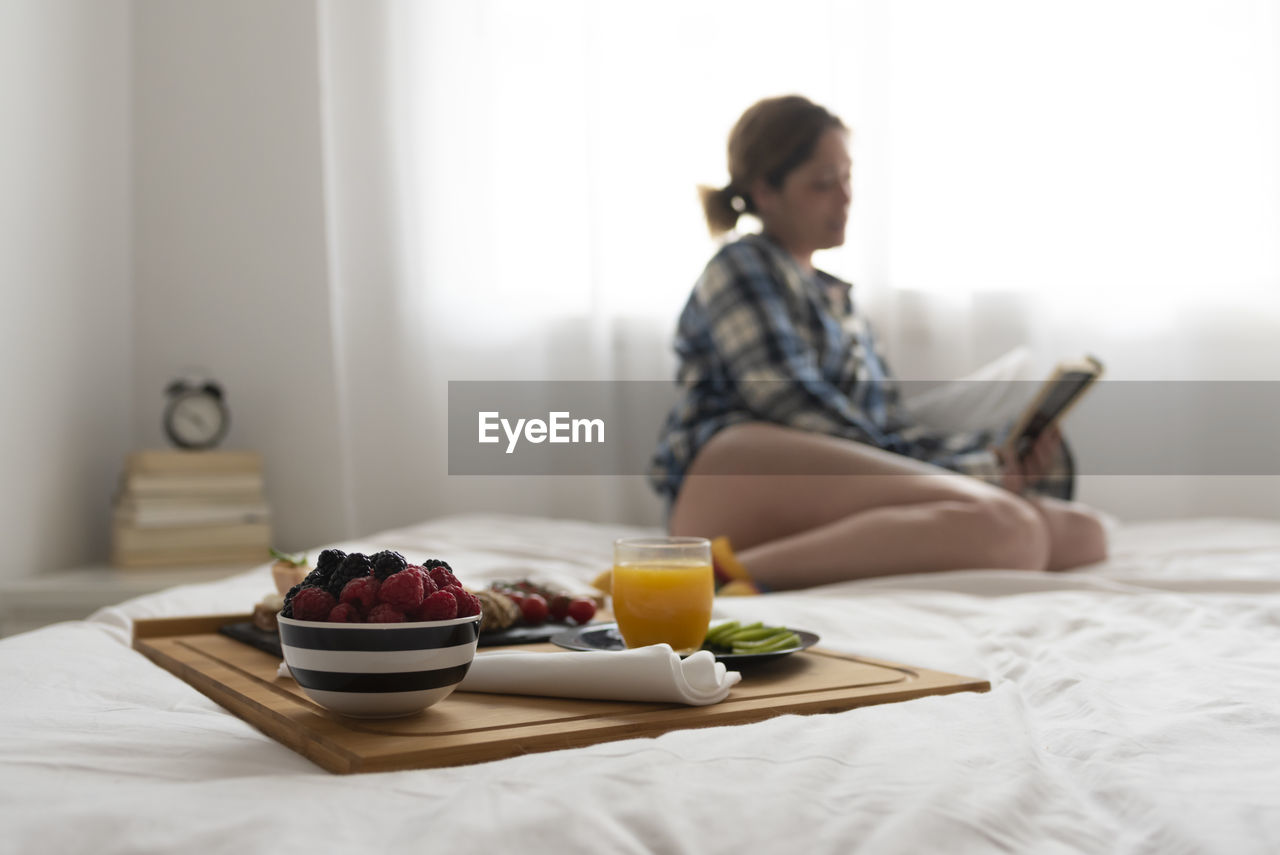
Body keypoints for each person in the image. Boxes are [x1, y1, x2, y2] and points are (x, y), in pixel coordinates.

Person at [648, 95, 1109, 592]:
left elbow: (885, 429)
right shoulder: (742, 265)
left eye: (846, 178)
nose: (844, 196)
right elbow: (794, 406)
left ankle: (756, 566)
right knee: (1010, 526)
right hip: (734, 477)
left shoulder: (838, 300)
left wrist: (999, 462)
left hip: (819, 486)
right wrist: (967, 475)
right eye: (824, 182)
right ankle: (709, 576)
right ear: (765, 191)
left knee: (1082, 535)